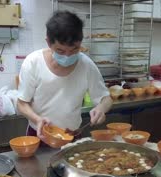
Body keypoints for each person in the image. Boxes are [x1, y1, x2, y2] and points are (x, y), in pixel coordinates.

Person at [17, 11, 113, 141]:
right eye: (60, 51)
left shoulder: (86, 65)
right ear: (48, 42)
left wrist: (101, 109)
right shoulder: (33, 62)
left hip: (72, 136)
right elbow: (22, 103)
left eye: (74, 49)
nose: (68, 56)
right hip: (40, 135)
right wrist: (37, 119)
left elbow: (106, 99)